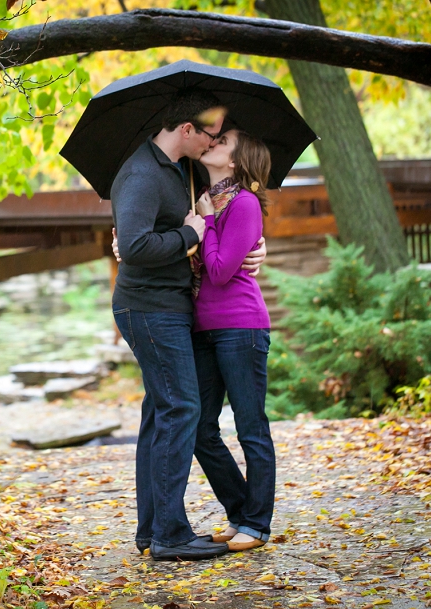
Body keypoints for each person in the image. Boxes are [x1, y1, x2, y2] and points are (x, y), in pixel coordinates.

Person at [111, 91, 266, 561]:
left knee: (162, 412)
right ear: (186, 129)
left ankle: (152, 530)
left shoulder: (182, 169)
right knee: (181, 409)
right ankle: (170, 534)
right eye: (209, 133)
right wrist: (189, 235)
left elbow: (231, 212)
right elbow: (135, 245)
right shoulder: (140, 171)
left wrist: (255, 248)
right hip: (150, 308)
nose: (213, 140)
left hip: (173, 306)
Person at [189, 129, 275, 552]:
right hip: (204, 330)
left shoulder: (243, 204)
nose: (212, 142)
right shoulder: (203, 196)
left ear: (236, 162)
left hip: (242, 326)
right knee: (201, 428)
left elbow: (221, 271)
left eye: (222, 141)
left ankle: (257, 525)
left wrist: (205, 223)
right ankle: (241, 512)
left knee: (250, 427)